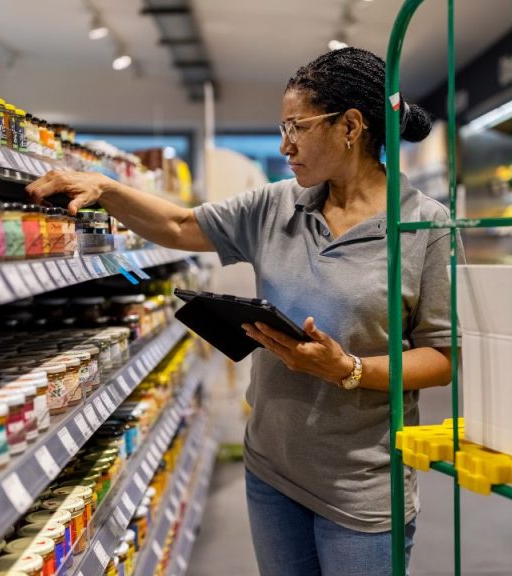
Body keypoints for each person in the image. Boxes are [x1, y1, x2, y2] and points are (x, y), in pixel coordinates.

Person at [28, 47, 454, 576]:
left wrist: (350, 370)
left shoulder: (424, 224)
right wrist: (108, 189)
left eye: (297, 127)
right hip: (271, 470)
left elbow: (440, 358)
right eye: (281, 127)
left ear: (350, 126)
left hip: (362, 487)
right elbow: (182, 226)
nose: (285, 145)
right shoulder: (276, 205)